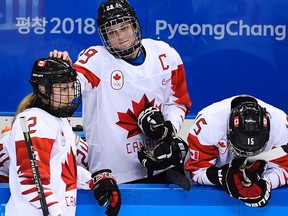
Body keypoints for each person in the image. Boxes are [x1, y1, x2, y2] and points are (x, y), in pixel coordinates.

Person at [50, 0, 191, 184]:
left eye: (124, 28)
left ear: (134, 26)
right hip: (113, 177)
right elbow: (74, 86)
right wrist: (64, 75)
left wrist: (168, 129)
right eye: (112, 32)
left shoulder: (165, 54)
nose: (120, 37)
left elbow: (178, 101)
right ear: (105, 36)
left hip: (162, 166)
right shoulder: (96, 60)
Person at [4, 58, 121, 216]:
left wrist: (93, 180)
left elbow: (60, 171)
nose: (71, 95)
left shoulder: (59, 120)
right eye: (64, 89)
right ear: (43, 89)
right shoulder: (34, 121)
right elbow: (32, 181)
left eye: (72, 87)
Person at [185, 95, 288, 207]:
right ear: (228, 132)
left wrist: (265, 183)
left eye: (255, 151)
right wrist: (222, 177)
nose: (247, 156)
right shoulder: (208, 124)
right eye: (240, 150)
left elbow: (286, 168)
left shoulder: (282, 126)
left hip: (264, 167)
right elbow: (195, 170)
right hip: (217, 164)